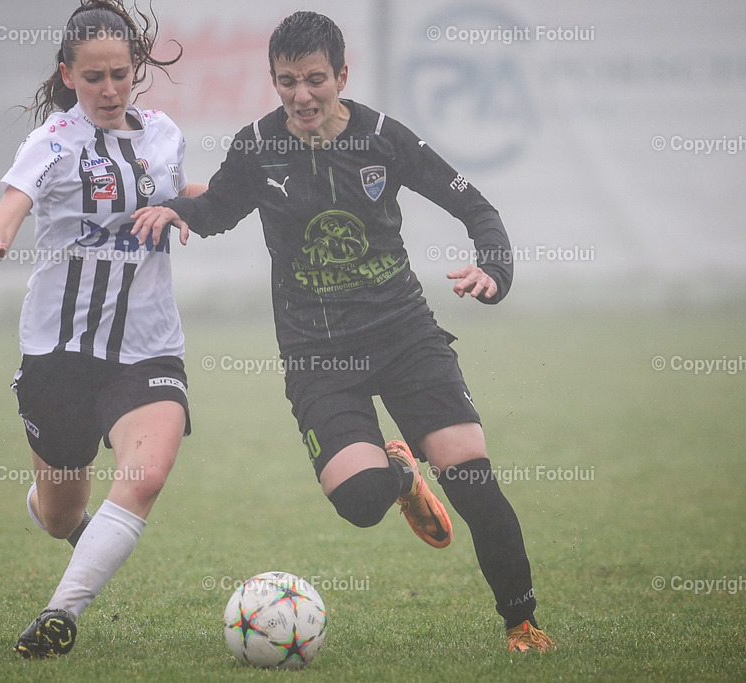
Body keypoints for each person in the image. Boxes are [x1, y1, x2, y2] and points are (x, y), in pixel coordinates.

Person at [132, 10, 554, 652]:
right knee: (359, 501)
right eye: (286, 81)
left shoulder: (385, 138)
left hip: (405, 336)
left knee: (472, 480)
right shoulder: (256, 145)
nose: (301, 96)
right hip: (316, 354)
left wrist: (494, 268)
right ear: (273, 80)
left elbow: (476, 206)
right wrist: (175, 210)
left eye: (314, 80)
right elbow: (217, 209)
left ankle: (522, 623)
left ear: (342, 75)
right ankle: (402, 477)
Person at [0, 0, 203, 658]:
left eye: (120, 74)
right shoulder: (53, 142)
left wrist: (214, 200)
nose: (109, 89)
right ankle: (50, 506)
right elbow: (10, 209)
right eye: (93, 77)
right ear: (68, 74)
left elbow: (180, 193)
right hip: (59, 355)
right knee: (62, 513)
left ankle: (61, 612)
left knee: (144, 476)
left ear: (136, 69)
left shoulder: (164, 136)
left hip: (148, 346)